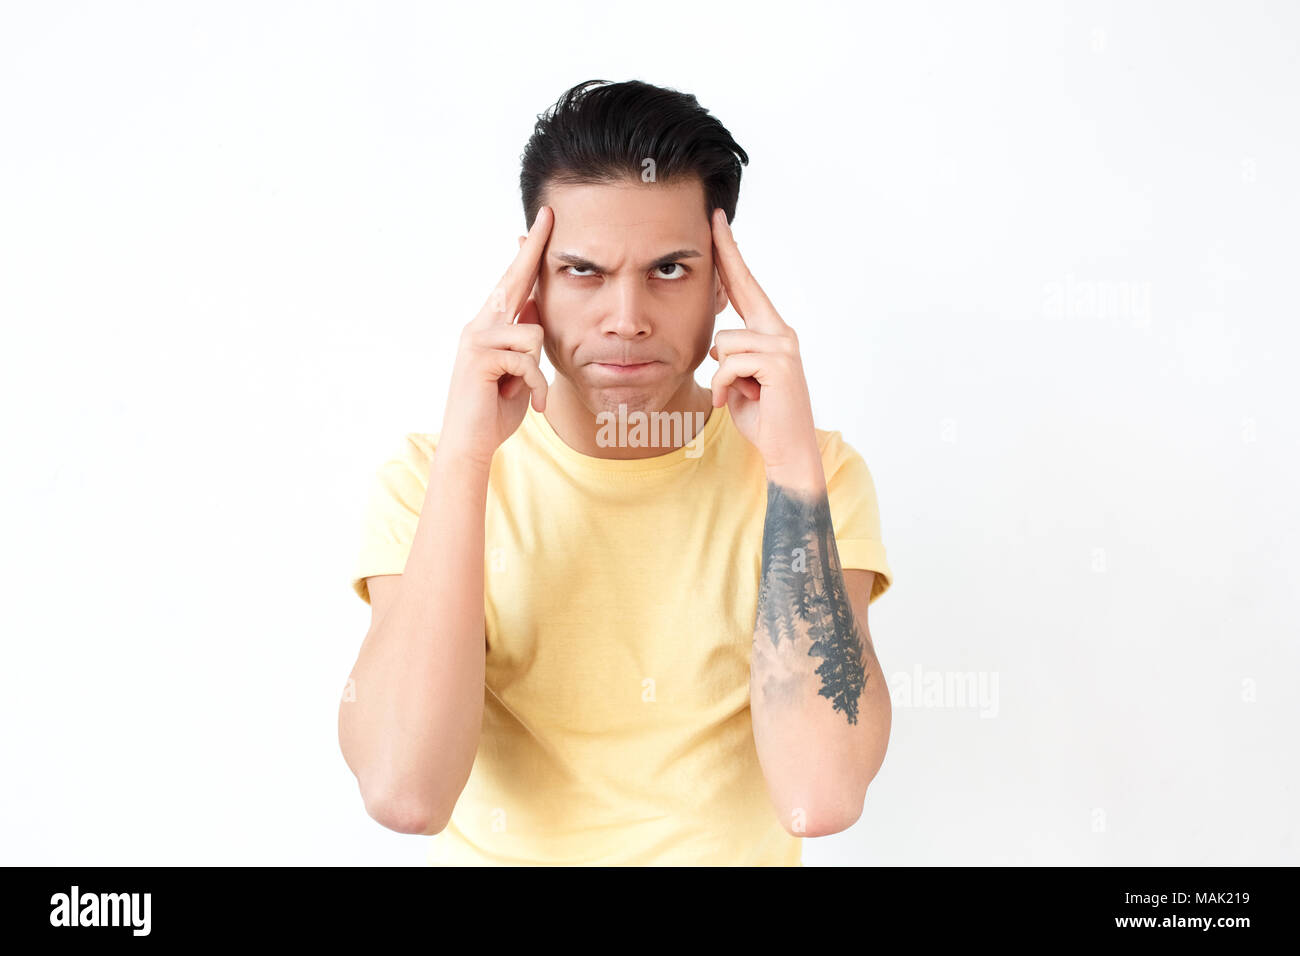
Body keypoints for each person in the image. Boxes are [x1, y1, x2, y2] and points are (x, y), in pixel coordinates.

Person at [339, 79, 894, 866]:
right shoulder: (427, 476)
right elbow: (405, 792)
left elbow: (822, 795)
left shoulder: (814, 473)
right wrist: (466, 457)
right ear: (530, 280)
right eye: (584, 271)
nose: (627, 316)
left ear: (722, 286)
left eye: (669, 270)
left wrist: (790, 464)